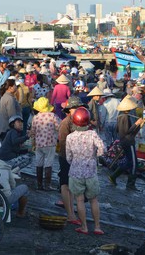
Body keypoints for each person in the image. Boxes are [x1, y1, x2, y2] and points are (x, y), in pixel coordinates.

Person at [66, 107, 105, 235]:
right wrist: (95, 156)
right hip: (91, 172)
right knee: (94, 199)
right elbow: (102, 149)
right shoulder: (93, 134)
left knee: (79, 200)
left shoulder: (70, 137)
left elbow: (68, 157)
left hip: (76, 172)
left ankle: (84, 227)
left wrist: (76, 161)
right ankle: (97, 227)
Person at [0, 145, 29, 218]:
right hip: (4, 198)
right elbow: (13, 184)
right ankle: (20, 213)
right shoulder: (5, 165)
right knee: (24, 188)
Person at [57, 96, 83, 224]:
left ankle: (72, 211)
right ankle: (70, 214)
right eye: (75, 108)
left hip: (76, 158)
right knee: (65, 184)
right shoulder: (65, 123)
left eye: (78, 108)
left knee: (73, 185)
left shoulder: (80, 122)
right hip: (66, 157)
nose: (77, 110)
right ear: (69, 110)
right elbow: (62, 143)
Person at [108, 96, 143, 190]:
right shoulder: (124, 117)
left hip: (125, 141)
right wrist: (136, 124)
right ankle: (130, 184)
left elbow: (118, 130)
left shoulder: (121, 116)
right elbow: (126, 132)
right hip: (128, 141)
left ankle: (114, 176)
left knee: (128, 161)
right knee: (134, 163)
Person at [29, 97, 61, 191]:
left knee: (39, 163)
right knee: (48, 163)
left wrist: (33, 143)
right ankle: (47, 185)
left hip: (38, 143)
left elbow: (32, 132)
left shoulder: (36, 117)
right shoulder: (53, 116)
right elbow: (59, 127)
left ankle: (39, 184)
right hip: (50, 143)